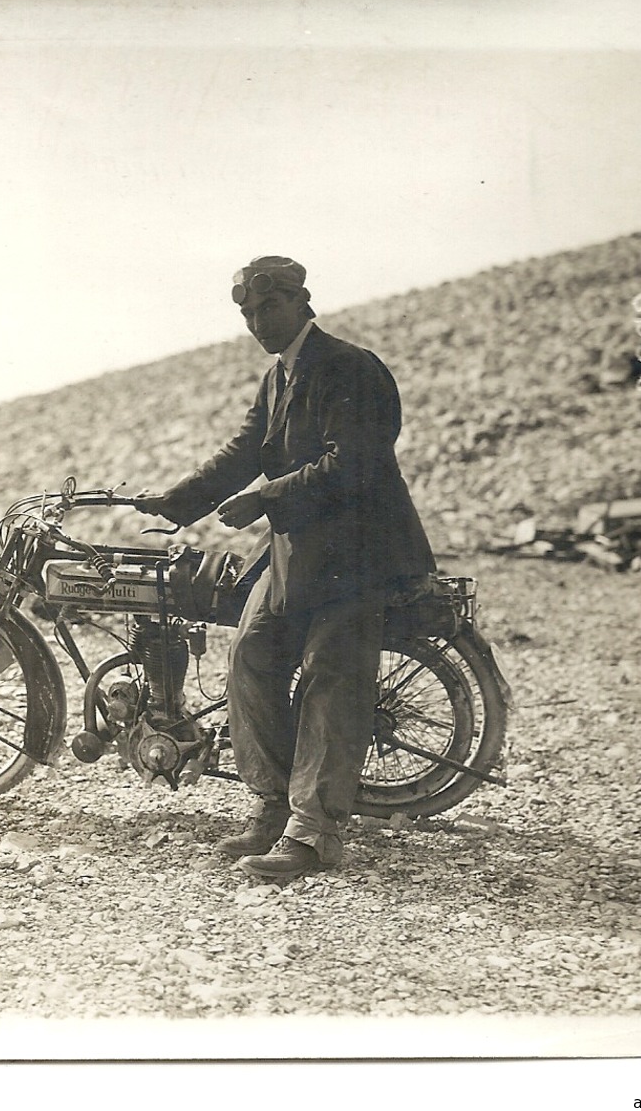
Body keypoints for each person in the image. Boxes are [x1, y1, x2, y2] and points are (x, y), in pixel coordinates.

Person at [134, 256, 436, 881]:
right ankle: (275, 805)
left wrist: (265, 500)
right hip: (299, 548)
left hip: (358, 551)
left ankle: (316, 834)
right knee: (251, 653)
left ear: (303, 301)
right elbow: (246, 451)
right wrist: (180, 501)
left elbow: (354, 463)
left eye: (267, 307)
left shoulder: (350, 366)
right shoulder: (278, 378)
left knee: (331, 675)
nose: (256, 322)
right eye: (247, 313)